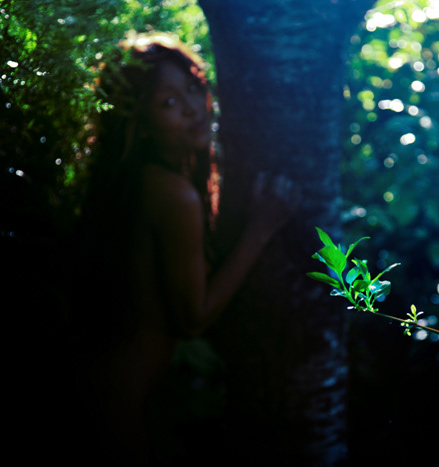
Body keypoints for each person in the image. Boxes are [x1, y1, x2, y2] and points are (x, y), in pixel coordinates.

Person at [73, 31, 300, 464]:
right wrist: (261, 229)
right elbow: (192, 319)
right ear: (140, 124)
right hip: (117, 403)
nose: (193, 107)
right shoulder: (171, 194)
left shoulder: (138, 180)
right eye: (169, 102)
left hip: (108, 387)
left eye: (193, 88)